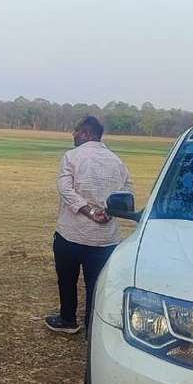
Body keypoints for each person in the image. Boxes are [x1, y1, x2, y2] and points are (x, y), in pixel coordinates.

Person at [47, 116, 132, 334]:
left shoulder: (71, 156)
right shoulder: (117, 161)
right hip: (105, 239)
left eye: (76, 130)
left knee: (67, 281)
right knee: (97, 285)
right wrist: (108, 213)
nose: (73, 134)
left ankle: (68, 319)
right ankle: (92, 327)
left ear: (86, 134)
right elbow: (126, 194)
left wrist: (89, 211)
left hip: (71, 234)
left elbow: (65, 189)